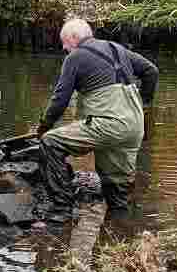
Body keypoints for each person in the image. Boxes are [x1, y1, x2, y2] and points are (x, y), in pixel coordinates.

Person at [36, 16, 158, 217]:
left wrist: (44, 127)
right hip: (134, 126)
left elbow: (60, 99)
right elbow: (151, 71)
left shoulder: (74, 58)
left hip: (107, 124)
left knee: (50, 143)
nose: (64, 49)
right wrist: (144, 104)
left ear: (74, 38)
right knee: (116, 189)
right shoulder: (117, 48)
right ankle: (120, 231)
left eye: (65, 44)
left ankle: (62, 210)